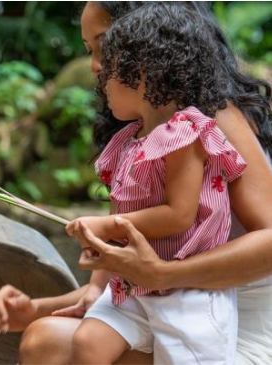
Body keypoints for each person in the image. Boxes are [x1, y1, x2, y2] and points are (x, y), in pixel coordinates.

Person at [0, 2, 272, 365]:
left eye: (104, 46)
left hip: (228, 320)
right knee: (42, 337)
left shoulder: (211, 120)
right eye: (90, 50)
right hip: (158, 304)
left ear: (150, 47)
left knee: (51, 345)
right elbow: (114, 288)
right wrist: (32, 309)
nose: (95, 66)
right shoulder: (138, 136)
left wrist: (164, 273)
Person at [65, 3, 244, 364]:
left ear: (144, 73)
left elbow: (180, 215)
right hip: (134, 284)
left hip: (188, 294)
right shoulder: (128, 139)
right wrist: (101, 247)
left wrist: (108, 225)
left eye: (110, 67)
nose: (97, 74)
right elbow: (122, 205)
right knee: (88, 343)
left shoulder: (185, 132)